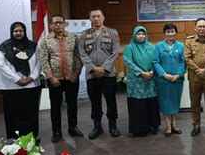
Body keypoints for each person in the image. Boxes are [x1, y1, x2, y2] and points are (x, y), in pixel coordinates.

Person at [39, 15, 84, 143]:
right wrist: (51, 77)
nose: (58, 25)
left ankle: (73, 127)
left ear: (64, 24)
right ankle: (57, 131)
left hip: (71, 78)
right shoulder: (46, 40)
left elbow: (78, 57)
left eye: (61, 23)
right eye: (55, 23)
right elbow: (43, 60)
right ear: (51, 25)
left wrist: (76, 73)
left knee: (72, 105)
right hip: (55, 80)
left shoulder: (73, 38)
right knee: (55, 106)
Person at [78, 9, 121, 140]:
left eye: (98, 16)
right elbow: (82, 53)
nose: (96, 19)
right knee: (95, 102)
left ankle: (113, 126)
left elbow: (115, 53)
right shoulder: (84, 35)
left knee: (111, 101)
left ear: (103, 18)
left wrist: (103, 68)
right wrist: (93, 68)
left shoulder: (112, 33)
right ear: (90, 19)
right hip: (92, 75)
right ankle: (97, 126)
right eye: (93, 17)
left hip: (108, 75)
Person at [0, 22, 41, 139]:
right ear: (12, 32)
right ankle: (16, 140)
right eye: (16, 31)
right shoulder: (4, 47)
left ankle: (32, 138)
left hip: (32, 86)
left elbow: (39, 63)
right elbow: (0, 64)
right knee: (14, 114)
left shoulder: (33, 46)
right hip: (11, 87)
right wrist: (17, 79)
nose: (18, 33)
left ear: (24, 31)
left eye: (21, 31)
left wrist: (31, 78)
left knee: (31, 113)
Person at [123, 26, 161, 137]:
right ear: (135, 35)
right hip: (137, 81)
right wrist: (141, 73)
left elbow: (156, 60)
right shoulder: (129, 48)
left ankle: (152, 126)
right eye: (139, 34)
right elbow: (128, 62)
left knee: (151, 103)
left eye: (143, 34)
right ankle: (140, 129)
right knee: (138, 105)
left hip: (150, 79)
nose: (141, 36)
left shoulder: (151, 47)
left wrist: (152, 71)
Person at [153, 23, 186, 137]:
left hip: (177, 80)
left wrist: (178, 74)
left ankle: (175, 124)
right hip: (163, 81)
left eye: (172, 31)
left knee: (175, 102)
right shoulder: (159, 46)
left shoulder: (181, 46)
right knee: (165, 102)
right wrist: (164, 74)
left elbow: (183, 62)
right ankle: (168, 125)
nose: (170, 34)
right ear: (165, 33)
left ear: (175, 33)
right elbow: (155, 62)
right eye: (168, 32)